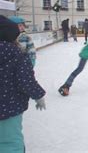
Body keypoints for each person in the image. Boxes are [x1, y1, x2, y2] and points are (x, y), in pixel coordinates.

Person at [0, 16, 46, 153]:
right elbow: (25, 81)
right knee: (10, 143)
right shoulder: (17, 54)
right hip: (8, 107)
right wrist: (38, 96)